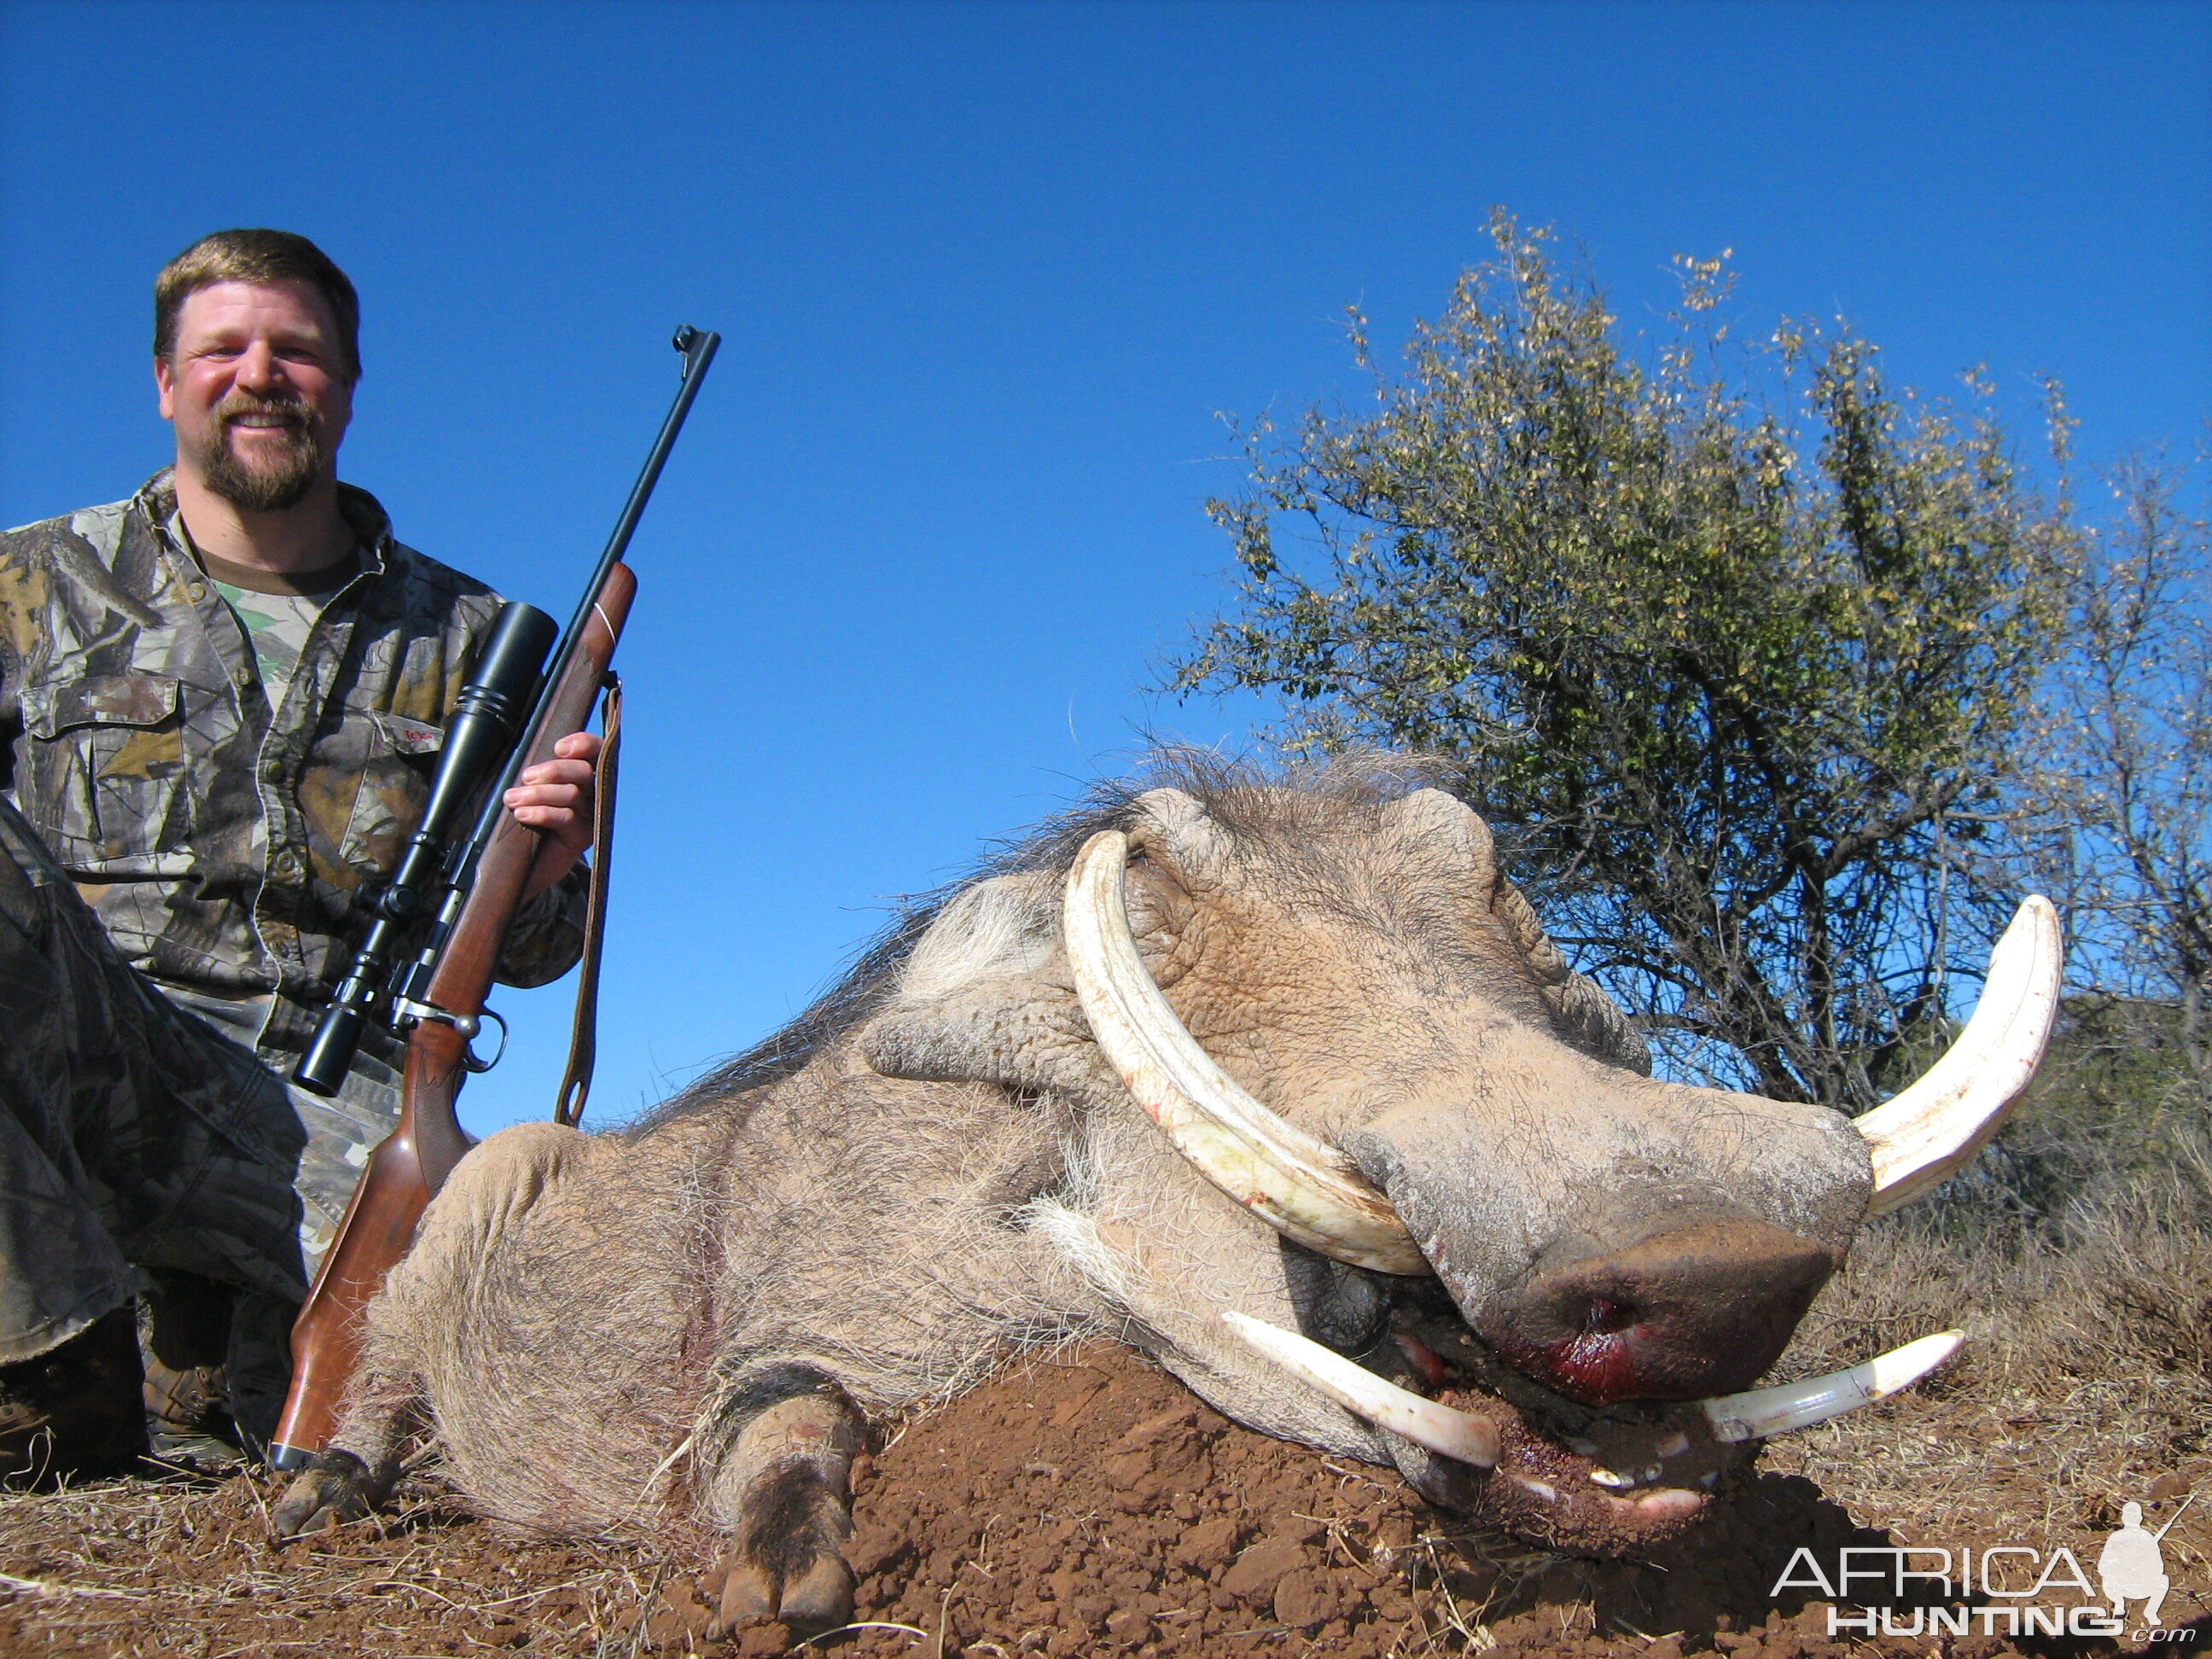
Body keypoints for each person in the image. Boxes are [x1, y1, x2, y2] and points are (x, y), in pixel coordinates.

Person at [0, 229, 600, 1476]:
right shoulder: (29, 584)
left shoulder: (472, 638)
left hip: (331, 1111)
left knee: (538, 1311)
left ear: (347, 382)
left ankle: (210, 1347)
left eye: (299, 351)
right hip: (87, 1064)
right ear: (165, 380)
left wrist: (543, 877)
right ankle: (53, 1372)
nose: (261, 374)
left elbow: (531, 956)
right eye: (223, 348)